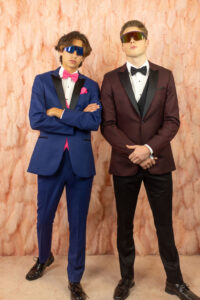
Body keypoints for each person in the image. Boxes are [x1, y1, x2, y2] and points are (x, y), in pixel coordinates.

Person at [101, 20, 199, 300]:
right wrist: (134, 152)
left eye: (137, 36)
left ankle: (175, 281)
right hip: (124, 163)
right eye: (127, 37)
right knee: (125, 224)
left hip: (159, 162)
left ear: (146, 40)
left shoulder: (166, 76)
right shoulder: (109, 79)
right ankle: (126, 279)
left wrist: (148, 149)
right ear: (122, 44)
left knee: (164, 224)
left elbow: (172, 121)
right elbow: (107, 124)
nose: (132, 40)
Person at [26, 31, 101, 300]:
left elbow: (94, 123)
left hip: (80, 163)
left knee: (77, 221)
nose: (74, 55)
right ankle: (44, 257)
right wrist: (77, 118)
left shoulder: (91, 85)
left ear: (85, 56)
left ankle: (74, 278)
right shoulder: (42, 81)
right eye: (70, 49)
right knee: (44, 215)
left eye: (80, 51)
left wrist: (59, 113)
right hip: (49, 159)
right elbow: (36, 120)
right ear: (60, 49)